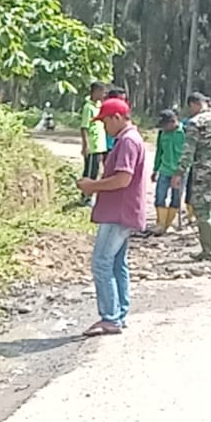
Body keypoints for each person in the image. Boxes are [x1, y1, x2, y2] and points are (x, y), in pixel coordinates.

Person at [74, 97, 148, 336]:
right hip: (123, 211)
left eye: (105, 121)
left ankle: (110, 318)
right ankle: (119, 314)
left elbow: (123, 179)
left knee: (101, 263)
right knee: (117, 264)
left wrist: (92, 185)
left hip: (119, 212)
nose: (104, 127)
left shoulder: (127, 141)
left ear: (116, 118)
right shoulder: (128, 139)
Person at [178, 93, 211, 261]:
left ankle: (208, 251)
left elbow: (189, 151)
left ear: (194, 104)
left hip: (204, 170)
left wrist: (180, 171)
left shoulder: (195, 123)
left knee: (202, 210)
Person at [150, 109, 186, 236]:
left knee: (176, 198)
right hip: (164, 170)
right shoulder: (162, 134)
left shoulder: (185, 132)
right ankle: (160, 224)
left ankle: (169, 224)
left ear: (173, 122)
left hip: (180, 171)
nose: (163, 127)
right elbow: (159, 152)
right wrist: (155, 169)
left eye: (165, 125)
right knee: (160, 197)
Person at [77, 82, 108, 204]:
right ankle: (85, 196)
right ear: (95, 92)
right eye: (102, 92)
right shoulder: (88, 107)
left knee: (95, 171)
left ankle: (90, 195)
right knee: (89, 172)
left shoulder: (99, 106)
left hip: (100, 144)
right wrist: (85, 145)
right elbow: (84, 127)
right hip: (92, 145)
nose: (103, 94)